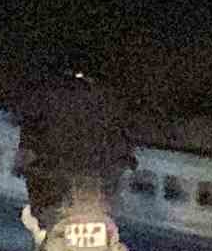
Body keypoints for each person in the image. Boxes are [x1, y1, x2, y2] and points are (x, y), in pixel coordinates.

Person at [14, 67, 137, 231]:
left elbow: (29, 138)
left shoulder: (46, 97)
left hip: (63, 184)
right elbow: (123, 136)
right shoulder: (107, 98)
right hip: (89, 183)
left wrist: (25, 165)